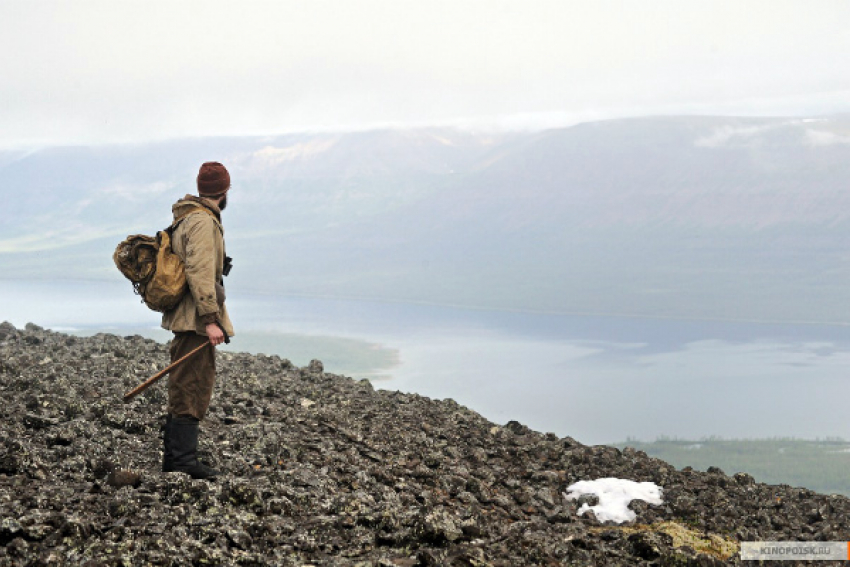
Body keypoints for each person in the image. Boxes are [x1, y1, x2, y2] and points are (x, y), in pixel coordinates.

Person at [160, 161, 235, 479]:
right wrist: (211, 320)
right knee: (192, 386)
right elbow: (201, 273)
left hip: (189, 318)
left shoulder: (187, 217)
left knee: (185, 384)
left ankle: (176, 459)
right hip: (195, 321)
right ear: (225, 191)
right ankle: (183, 462)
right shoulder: (203, 222)